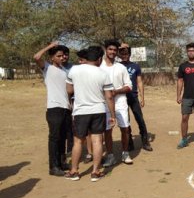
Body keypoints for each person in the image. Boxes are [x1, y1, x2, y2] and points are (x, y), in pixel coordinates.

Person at [65, 46, 116, 181]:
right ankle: (95, 171)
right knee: (98, 141)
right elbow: (109, 97)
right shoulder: (103, 74)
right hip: (98, 110)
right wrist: (113, 115)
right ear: (99, 59)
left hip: (81, 111)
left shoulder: (74, 69)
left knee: (78, 142)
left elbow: (69, 90)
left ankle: (74, 171)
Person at [33, 42, 72, 176]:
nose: (62, 58)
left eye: (63, 55)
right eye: (58, 56)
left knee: (63, 137)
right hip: (54, 108)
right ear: (52, 58)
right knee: (54, 138)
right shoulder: (47, 68)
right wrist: (49, 46)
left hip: (65, 108)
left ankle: (62, 163)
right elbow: (37, 57)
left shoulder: (64, 71)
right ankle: (53, 167)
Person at [100, 39, 133, 166]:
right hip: (104, 103)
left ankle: (125, 153)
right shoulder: (99, 67)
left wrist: (116, 92)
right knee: (107, 130)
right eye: (110, 49)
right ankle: (110, 156)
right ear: (105, 50)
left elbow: (129, 86)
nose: (112, 52)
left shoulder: (121, 67)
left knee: (125, 128)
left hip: (120, 102)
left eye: (115, 50)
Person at [118, 44, 153, 152]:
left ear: (130, 54)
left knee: (140, 119)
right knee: (125, 121)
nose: (125, 55)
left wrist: (142, 97)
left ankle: (145, 141)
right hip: (122, 97)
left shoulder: (135, 66)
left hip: (133, 97)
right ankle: (129, 142)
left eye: (127, 53)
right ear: (119, 54)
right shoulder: (117, 66)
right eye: (122, 54)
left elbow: (139, 82)